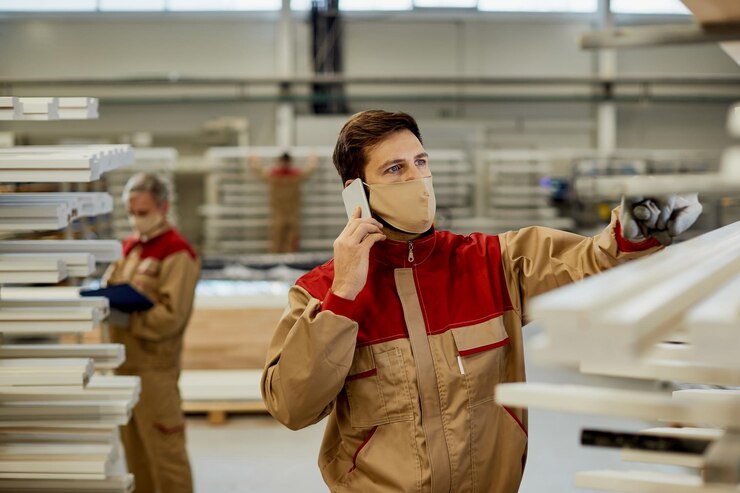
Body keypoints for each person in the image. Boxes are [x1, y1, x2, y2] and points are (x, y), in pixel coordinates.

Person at [260, 110, 702, 493]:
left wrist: (633, 233)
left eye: (420, 162)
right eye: (395, 170)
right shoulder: (319, 293)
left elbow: (591, 261)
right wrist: (344, 298)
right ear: (355, 191)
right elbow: (292, 407)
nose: (417, 179)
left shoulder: (491, 262)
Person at [103, 172, 200, 493]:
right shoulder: (130, 248)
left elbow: (172, 316)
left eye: (143, 213)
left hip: (155, 372)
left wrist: (131, 320)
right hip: (123, 366)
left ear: (164, 207)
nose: (136, 220)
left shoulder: (176, 252)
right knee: (136, 457)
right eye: (131, 213)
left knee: (165, 457)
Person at [250, 151, 318, 253]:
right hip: (280, 215)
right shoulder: (280, 176)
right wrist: (255, 162)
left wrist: (312, 161)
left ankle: (287, 262)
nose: (284, 164)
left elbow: (309, 171)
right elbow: (309, 171)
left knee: (290, 242)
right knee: (277, 241)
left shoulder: (285, 176)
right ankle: (278, 261)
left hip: (289, 215)